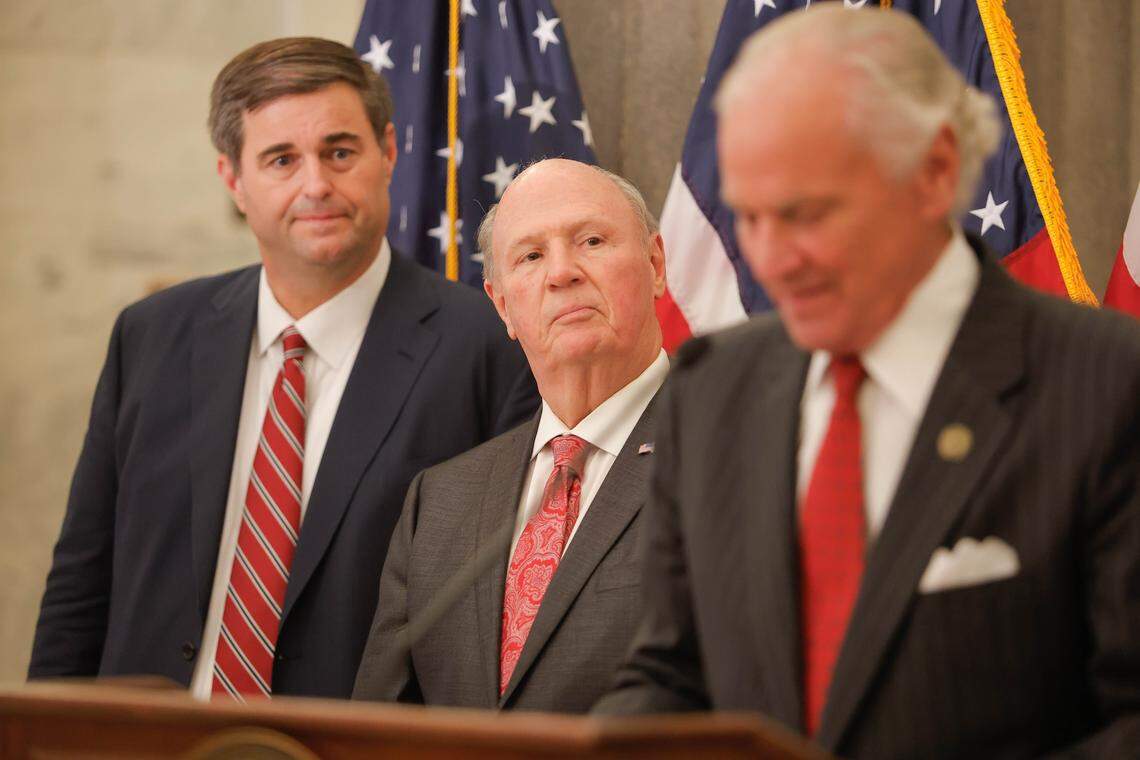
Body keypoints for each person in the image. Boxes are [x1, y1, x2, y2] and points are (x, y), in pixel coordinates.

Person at [595, 7, 1140, 757]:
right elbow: (672, 673)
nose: (772, 260)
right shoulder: (711, 390)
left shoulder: (1108, 383)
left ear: (935, 172)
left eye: (806, 212)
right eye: (749, 218)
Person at [28, 37, 537, 701]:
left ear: (388, 152)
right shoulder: (151, 336)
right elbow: (82, 576)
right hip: (147, 741)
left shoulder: (485, 347)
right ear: (233, 180)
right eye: (280, 159)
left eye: (339, 151)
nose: (316, 184)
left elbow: (502, 613)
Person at [352, 159, 668, 712]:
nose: (561, 272)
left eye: (591, 241)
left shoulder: (734, 454)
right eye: (531, 256)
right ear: (503, 306)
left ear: (656, 264)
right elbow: (381, 726)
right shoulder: (440, 500)